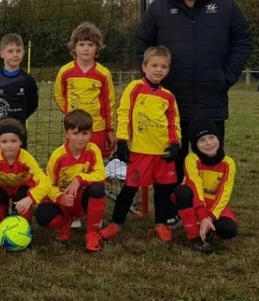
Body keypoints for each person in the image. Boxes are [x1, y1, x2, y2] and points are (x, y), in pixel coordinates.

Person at [134, 0, 252, 188]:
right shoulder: (159, 7)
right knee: (171, 159)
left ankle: (208, 209)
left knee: (209, 157)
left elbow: (242, 40)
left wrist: (227, 76)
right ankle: (172, 210)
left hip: (211, 100)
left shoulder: (225, 4)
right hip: (169, 102)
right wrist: (152, 82)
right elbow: (141, 44)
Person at [99, 46, 181, 242]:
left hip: (162, 153)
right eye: (154, 65)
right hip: (140, 151)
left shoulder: (168, 97)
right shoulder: (134, 88)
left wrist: (175, 143)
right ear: (144, 67)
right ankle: (116, 223)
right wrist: (121, 141)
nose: (158, 70)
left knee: (162, 190)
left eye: (163, 66)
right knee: (129, 189)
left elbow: (173, 122)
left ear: (168, 70)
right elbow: (123, 112)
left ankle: (161, 224)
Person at [34, 109, 106, 252]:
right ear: (66, 134)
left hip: (81, 200)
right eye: (75, 133)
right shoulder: (58, 156)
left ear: (91, 134)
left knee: (98, 188)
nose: (80, 138)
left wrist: (79, 179)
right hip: (62, 202)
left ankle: (92, 234)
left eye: (85, 133)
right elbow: (48, 185)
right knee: (43, 217)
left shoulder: (93, 150)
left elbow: (101, 175)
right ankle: (65, 220)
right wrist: (60, 198)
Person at [174, 120, 238, 254]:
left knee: (229, 230)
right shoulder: (191, 159)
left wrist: (209, 217)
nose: (209, 143)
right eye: (202, 140)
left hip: (213, 203)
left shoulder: (228, 163)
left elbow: (224, 193)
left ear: (218, 138)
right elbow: (195, 186)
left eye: (212, 137)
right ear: (195, 144)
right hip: (194, 201)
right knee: (183, 191)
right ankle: (194, 238)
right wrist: (203, 215)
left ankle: (206, 229)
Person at [54, 21, 116, 159]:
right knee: (74, 159)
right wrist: (69, 114)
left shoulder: (103, 74)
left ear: (97, 48)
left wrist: (109, 130)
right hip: (74, 126)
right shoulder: (65, 72)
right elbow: (59, 95)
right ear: (74, 47)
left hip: (97, 127)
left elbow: (108, 104)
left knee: (94, 159)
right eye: (81, 45)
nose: (86, 49)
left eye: (90, 45)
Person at [0, 34, 38, 153]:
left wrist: (19, 116)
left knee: (19, 164)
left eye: (18, 51)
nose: (15, 54)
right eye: (10, 51)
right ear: (1, 54)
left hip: (18, 130)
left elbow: (33, 104)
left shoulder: (28, 81)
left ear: (23, 53)